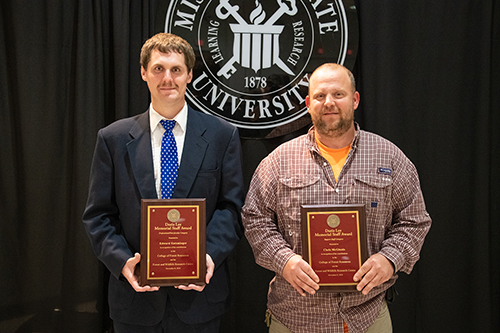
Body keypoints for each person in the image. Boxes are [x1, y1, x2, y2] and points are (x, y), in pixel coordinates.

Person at [241, 63, 431, 333]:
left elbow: (414, 221)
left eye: (338, 94)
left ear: (354, 100)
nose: (328, 102)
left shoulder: (389, 157)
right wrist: (284, 260)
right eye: (320, 96)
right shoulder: (278, 162)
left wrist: (390, 259)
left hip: (367, 315)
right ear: (308, 103)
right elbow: (255, 219)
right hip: (294, 317)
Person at [82, 33, 245, 332]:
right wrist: (122, 263)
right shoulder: (113, 139)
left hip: (200, 299)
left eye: (176, 69)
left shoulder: (222, 135)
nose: (167, 78)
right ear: (143, 73)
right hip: (135, 299)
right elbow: (98, 215)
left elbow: (231, 208)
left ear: (189, 75)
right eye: (158, 68)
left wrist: (207, 257)